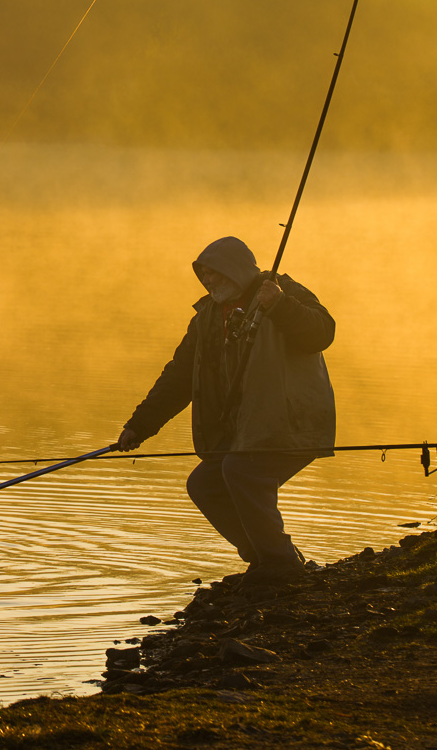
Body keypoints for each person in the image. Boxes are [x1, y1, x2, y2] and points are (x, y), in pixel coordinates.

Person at [118, 235, 335, 585]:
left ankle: (280, 564)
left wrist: (280, 305)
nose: (207, 280)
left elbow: (323, 333)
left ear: (234, 269)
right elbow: (179, 376)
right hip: (245, 430)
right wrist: (140, 425)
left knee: (242, 470)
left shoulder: (281, 290)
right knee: (205, 484)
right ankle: (265, 557)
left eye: (213, 272)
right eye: (203, 274)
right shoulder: (207, 315)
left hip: (293, 421)